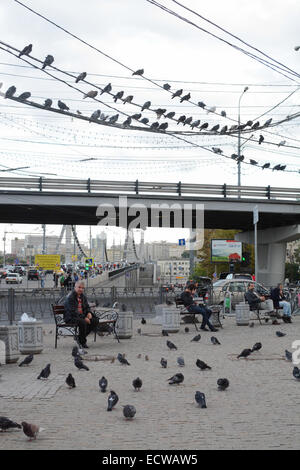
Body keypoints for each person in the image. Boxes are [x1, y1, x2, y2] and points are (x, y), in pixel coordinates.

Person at [64, 280, 99, 348]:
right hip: (71, 317)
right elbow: (73, 311)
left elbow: (86, 307)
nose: (81, 289)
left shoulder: (83, 296)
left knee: (95, 320)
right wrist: (84, 318)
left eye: (82, 288)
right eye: (79, 287)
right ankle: (83, 342)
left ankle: (80, 337)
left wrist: (89, 313)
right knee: (83, 322)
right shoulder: (70, 297)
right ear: (75, 287)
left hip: (80, 316)